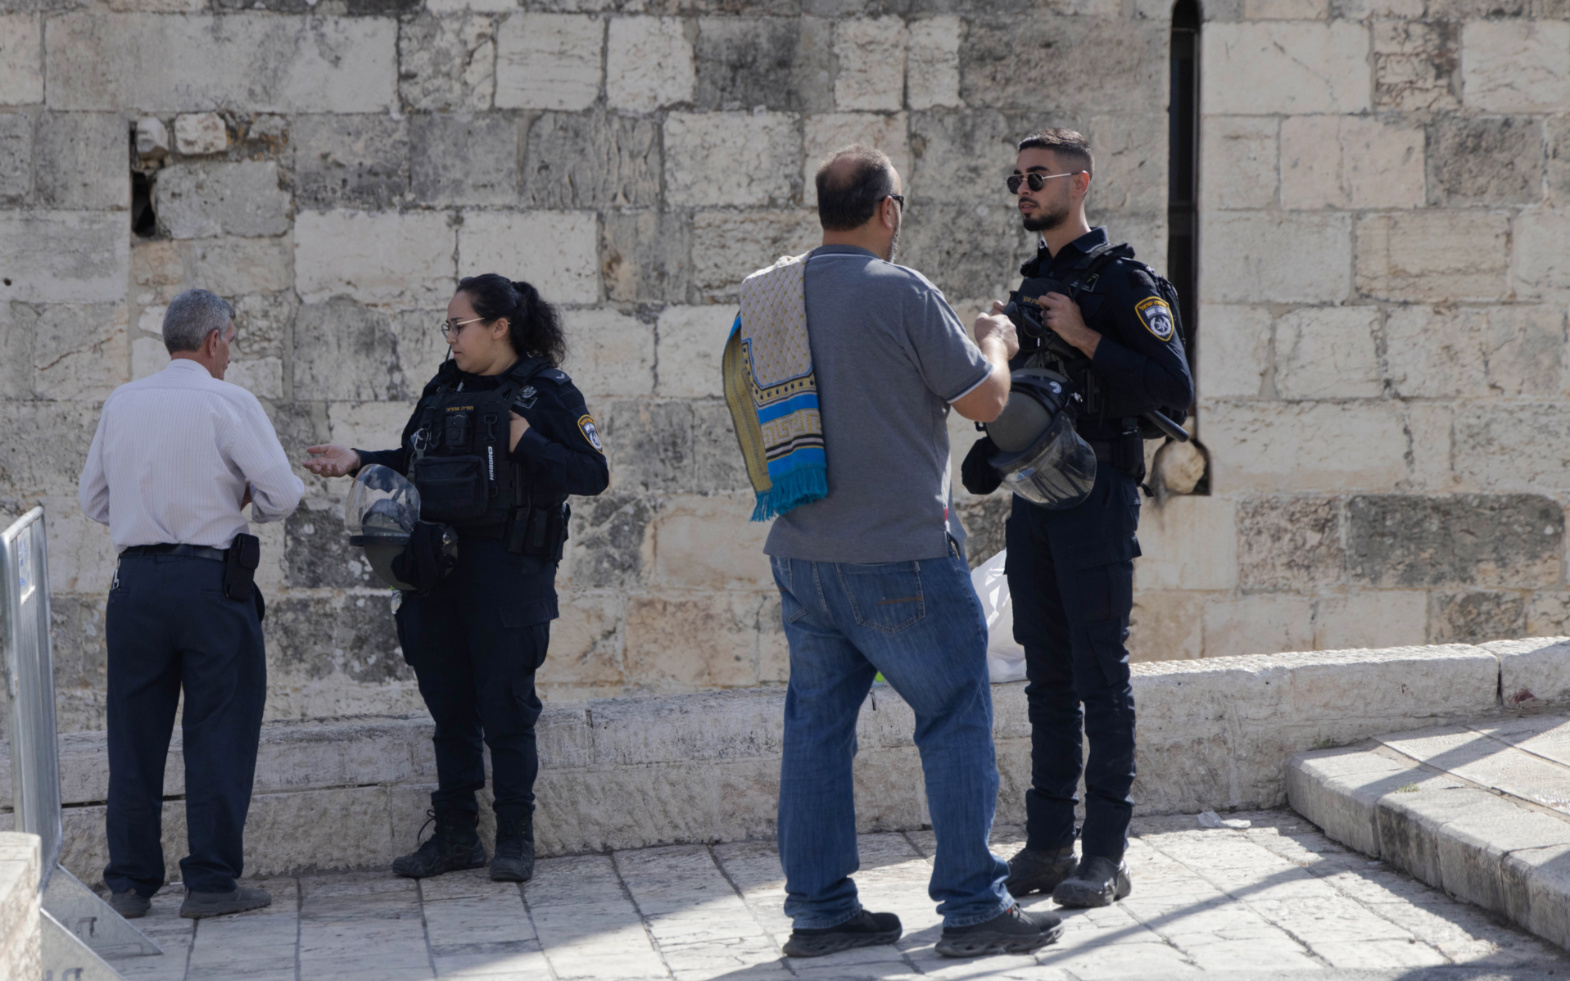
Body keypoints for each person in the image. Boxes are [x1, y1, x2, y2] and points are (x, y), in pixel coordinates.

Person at [745, 145, 1063, 959]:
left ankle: (818, 912)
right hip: (902, 555)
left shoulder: (770, 295)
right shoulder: (900, 290)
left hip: (805, 550)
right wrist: (993, 337)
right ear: (887, 210)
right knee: (955, 717)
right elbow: (988, 402)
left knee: (816, 731)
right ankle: (970, 906)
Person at [303, 274, 608, 883]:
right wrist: (360, 460)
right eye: (447, 326)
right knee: (450, 709)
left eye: (458, 325)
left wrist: (524, 441)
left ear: (500, 327)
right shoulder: (444, 388)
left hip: (509, 575)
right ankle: (455, 837)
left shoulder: (546, 391)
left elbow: (592, 472)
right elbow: (413, 460)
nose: (450, 338)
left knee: (508, 709)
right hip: (436, 572)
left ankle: (516, 839)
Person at [963, 129, 1193, 908]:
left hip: (1099, 499)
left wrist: (1085, 334)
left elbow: (1173, 391)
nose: (1023, 188)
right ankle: (1048, 844)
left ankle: (1105, 854)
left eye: (1037, 176)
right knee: (1046, 676)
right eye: (1015, 177)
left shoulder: (1125, 281)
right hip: (1036, 500)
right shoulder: (1029, 286)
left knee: (1101, 674)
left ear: (1079, 182)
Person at [78, 288, 304, 920]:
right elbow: (282, 494)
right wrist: (242, 506)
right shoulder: (229, 401)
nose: (230, 353)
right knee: (220, 732)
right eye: (230, 340)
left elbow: (93, 500)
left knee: (133, 736)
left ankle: (128, 884)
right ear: (213, 340)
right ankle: (209, 882)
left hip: (136, 586)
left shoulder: (123, 401)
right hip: (211, 585)